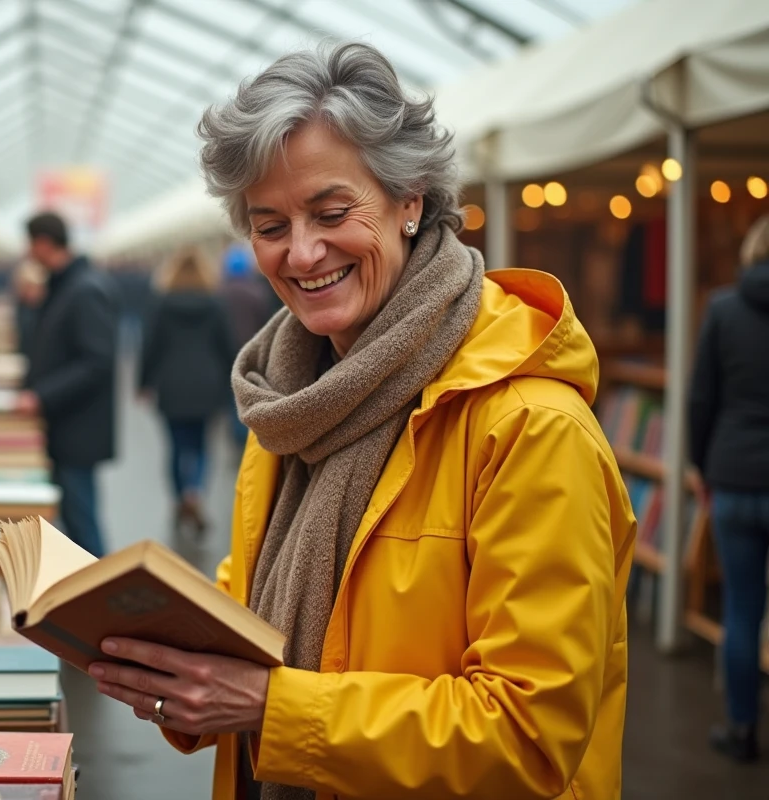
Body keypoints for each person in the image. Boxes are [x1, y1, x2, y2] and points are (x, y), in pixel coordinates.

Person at [87, 42, 635, 800]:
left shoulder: (531, 427)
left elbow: (530, 735)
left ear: (411, 199)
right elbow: (256, 596)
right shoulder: (292, 401)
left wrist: (268, 707)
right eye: (268, 224)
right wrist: (171, 664)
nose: (302, 252)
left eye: (333, 212)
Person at [689, 213, 769, 764]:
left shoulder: (722, 308)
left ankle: (742, 731)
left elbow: (700, 399)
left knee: (741, 609)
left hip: (734, 476)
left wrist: (701, 467)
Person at [17, 212, 118, 558]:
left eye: (30, 244)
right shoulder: (66, 286)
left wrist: (42, 396)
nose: (28, 253)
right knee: (77, 518)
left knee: (82, 520)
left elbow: (97, 361)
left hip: (78, 428)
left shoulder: (83, 291)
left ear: (44, 243)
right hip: (68, 423)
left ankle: (101, 598)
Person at [140, 247, 237, 535]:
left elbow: (151, 346)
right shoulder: (216, 304)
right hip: (207, 382)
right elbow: (227, 347)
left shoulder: (161, 304)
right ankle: (194, 491)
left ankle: (180, 496)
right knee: (201, 445)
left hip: (171, 384)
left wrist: (143, 382)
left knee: (175, 445)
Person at [218, 243, 274, 449]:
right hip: (251, 349)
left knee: (230, 396)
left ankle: (236, 434)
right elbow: (266, 321)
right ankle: (245, 436)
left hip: (226, 352)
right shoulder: (257, 292)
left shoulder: (219, 293)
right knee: (246, 392)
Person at [12, 258, 47, 363]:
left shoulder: (45, 310)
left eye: (32, 287)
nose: (29, 292)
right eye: (25, 287)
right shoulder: (22, 306)